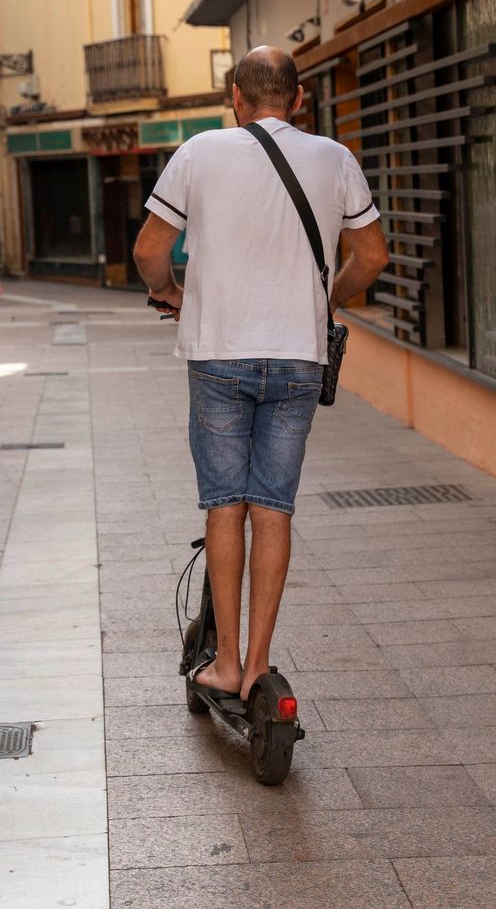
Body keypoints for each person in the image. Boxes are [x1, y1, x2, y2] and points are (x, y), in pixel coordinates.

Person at [132, 45, 389, 702]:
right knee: (273, 506)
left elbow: (149, 249)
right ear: (299, 100)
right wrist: (326, 296)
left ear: (235, 99)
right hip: (299, 357)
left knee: (227, 503)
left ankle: (222, 664)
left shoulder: (199, 152)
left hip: (218, 353)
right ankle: (256, 668)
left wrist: (169, 292)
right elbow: (373, 255)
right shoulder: (336, 158)